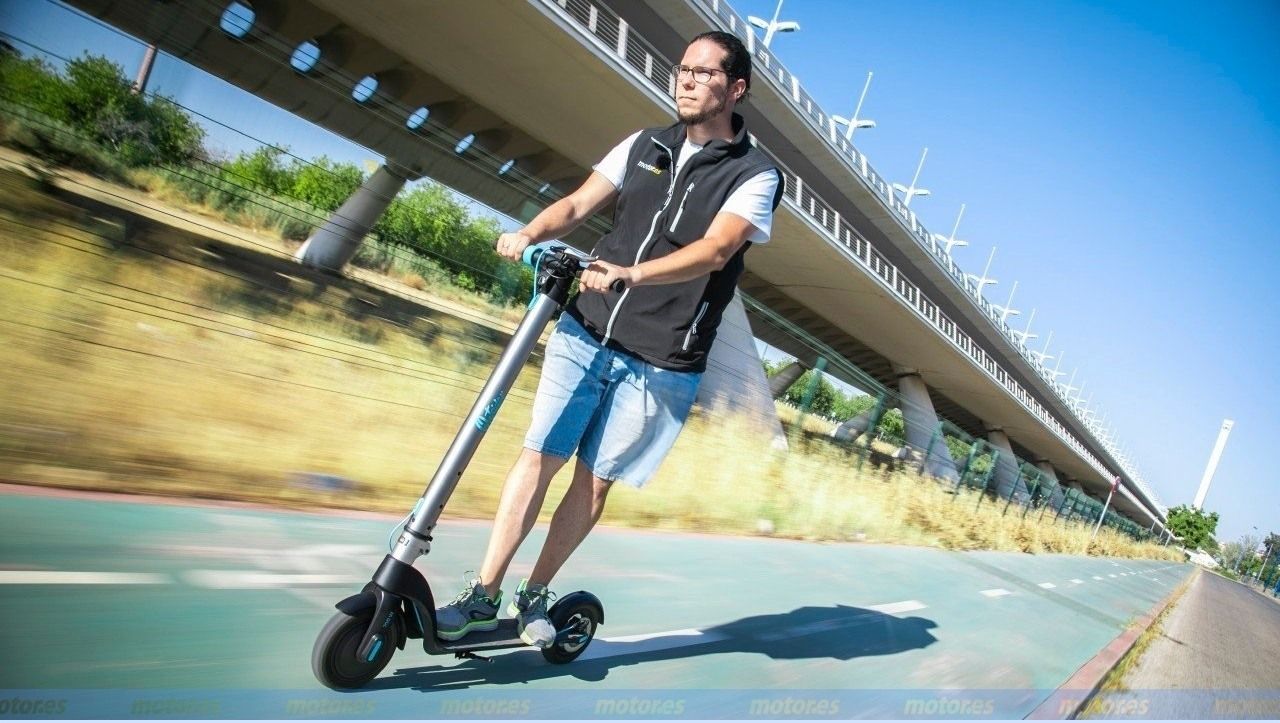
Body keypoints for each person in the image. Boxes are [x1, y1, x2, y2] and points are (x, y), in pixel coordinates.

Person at [435, 30, 783, 647]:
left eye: (705, 73)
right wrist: (528, 231)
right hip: (586, 327)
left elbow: (717, 249)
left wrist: (632, 273)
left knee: (594, 480)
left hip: (664, 357)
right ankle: (484, 595)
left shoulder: (756, 175)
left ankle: (535, 594)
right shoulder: (644, 143)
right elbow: (575, 205)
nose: (687, 80)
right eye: (683, 70)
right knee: (540, 453)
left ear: (736, 88)